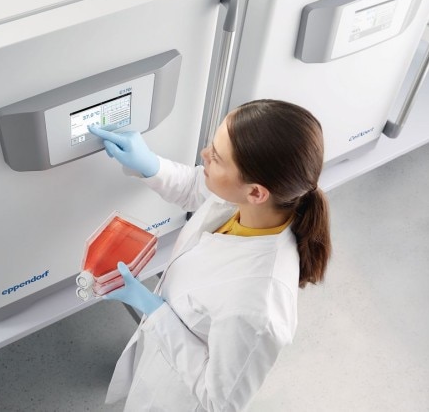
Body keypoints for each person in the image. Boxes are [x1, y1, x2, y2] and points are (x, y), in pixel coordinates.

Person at [87, 99, 331, 411]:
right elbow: (198, 188)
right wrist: (150, 164)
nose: (204, 155)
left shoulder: (258, 308)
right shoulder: (254, 206)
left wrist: (155, 310)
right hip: (160, 354)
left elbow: (220, 401)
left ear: (256, 192)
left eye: (216, 157)